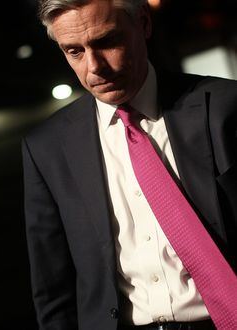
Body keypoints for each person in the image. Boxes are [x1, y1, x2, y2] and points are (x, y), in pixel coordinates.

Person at [22, 0, 237, 329]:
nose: (94, 67)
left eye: (106, 41)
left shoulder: (226, 106)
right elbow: (54, 289)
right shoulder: (47, 148)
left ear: (144, 24)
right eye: (74, 51)